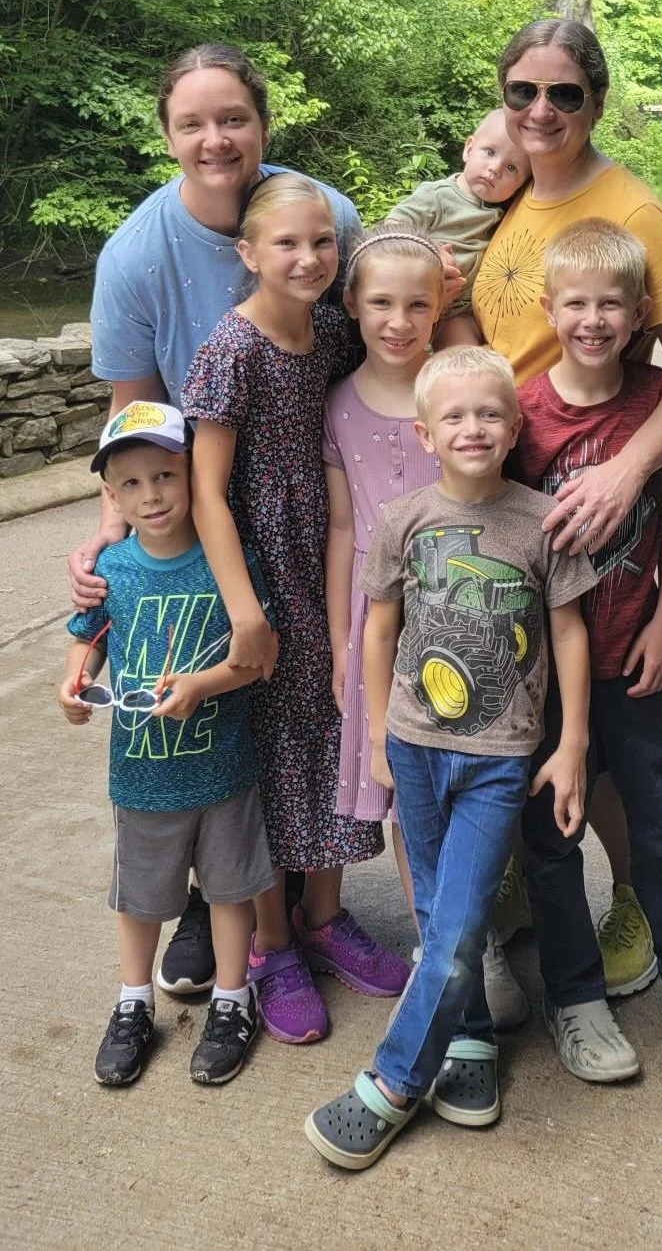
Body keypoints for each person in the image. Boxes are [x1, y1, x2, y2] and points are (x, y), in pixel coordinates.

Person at [67, 44, 364, 996]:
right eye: (192, 123)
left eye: (232, 117)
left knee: (314, 709)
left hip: (320, 510)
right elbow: (137, 417)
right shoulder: (137, 255)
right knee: (230, 712)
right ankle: (230, 911)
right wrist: (113, 528)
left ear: (263, 125)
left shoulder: (321, 217)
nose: (215, 139)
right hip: (209, 519)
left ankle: (304, 913)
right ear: (166, 137)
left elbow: (362, 348)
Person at [467, 18, 662, 1074]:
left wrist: (627, 469)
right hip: (513, 520)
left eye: (562, 96)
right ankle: (555, 949)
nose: (540, 112)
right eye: (522, 92)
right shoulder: (520, 197)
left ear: (595, 102)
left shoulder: (626, 213)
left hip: (599, 509)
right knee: (543, 771)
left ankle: (653, 932)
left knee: (627, 770)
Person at [304, 347, 597, 1170]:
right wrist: (373, 743)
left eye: (489, 414)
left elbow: (570, 632)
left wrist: (570, 742)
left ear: (514, 427)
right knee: (438, 914)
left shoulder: (544, 520)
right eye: (455, 417)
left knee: (461, 917)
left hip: (500, 756)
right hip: (413, 744)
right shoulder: (402, 520)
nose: (473, 428)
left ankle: (395, 1082)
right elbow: (378, 631)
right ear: (427, 435)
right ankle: (467, 1039)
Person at [182, 174, 410, 1046]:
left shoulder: (331, 333)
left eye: (324, 244)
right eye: (288, 244)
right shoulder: (231, 350)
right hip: (263, 570)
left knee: (331, 730)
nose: (310, 258)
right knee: (273, 754)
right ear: (248, 255)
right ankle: (272, 944)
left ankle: (325, 916)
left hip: (332, 560)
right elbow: (206, 494)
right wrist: (245, 611)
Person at [514, 221, 662, 1072]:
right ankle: (574, 996)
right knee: (552, 831)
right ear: (548, 308)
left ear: (642, 312)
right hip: (545, 672)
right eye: (576, 303)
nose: (593, 319)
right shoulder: (523, 414)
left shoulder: (654, 400)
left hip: (634, 654)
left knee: (656, 817)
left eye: (612, 304)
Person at [325, 224, 529, 1031]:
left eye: (418, 303)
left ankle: (476, 936)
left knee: (474, 771)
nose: (398, 320)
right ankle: (433, 941)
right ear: (352, 306)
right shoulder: (339, 402)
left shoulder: (458, 392)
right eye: (380, 303)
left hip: (461, 610)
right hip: (379, 615)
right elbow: (345, 528)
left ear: (441, 302)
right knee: (410, 791)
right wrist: (342, 638)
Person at [58, 401, 276, 1087]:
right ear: (111, 494)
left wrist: (202, 686)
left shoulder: (225, 562)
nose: (151, 495)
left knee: (229, 889)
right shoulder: (112, 570)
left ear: (192, 475)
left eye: (165, 476)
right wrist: (73, 684)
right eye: (132, 483)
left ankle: (233, 1001)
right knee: (140, 896)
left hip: (224, 768)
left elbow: (259, 654)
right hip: (142, 777)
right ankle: (132, 1003)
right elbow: (86, 639)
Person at [388, 109, 530, 344]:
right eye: (490, 152)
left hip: (458, 314)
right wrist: (430, 253)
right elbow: (392, 226)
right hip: (415, 298)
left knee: (464, 363)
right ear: (469, 149)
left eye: (512, 168)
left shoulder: (505, 212)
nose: (496, 168)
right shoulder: (438, 196)